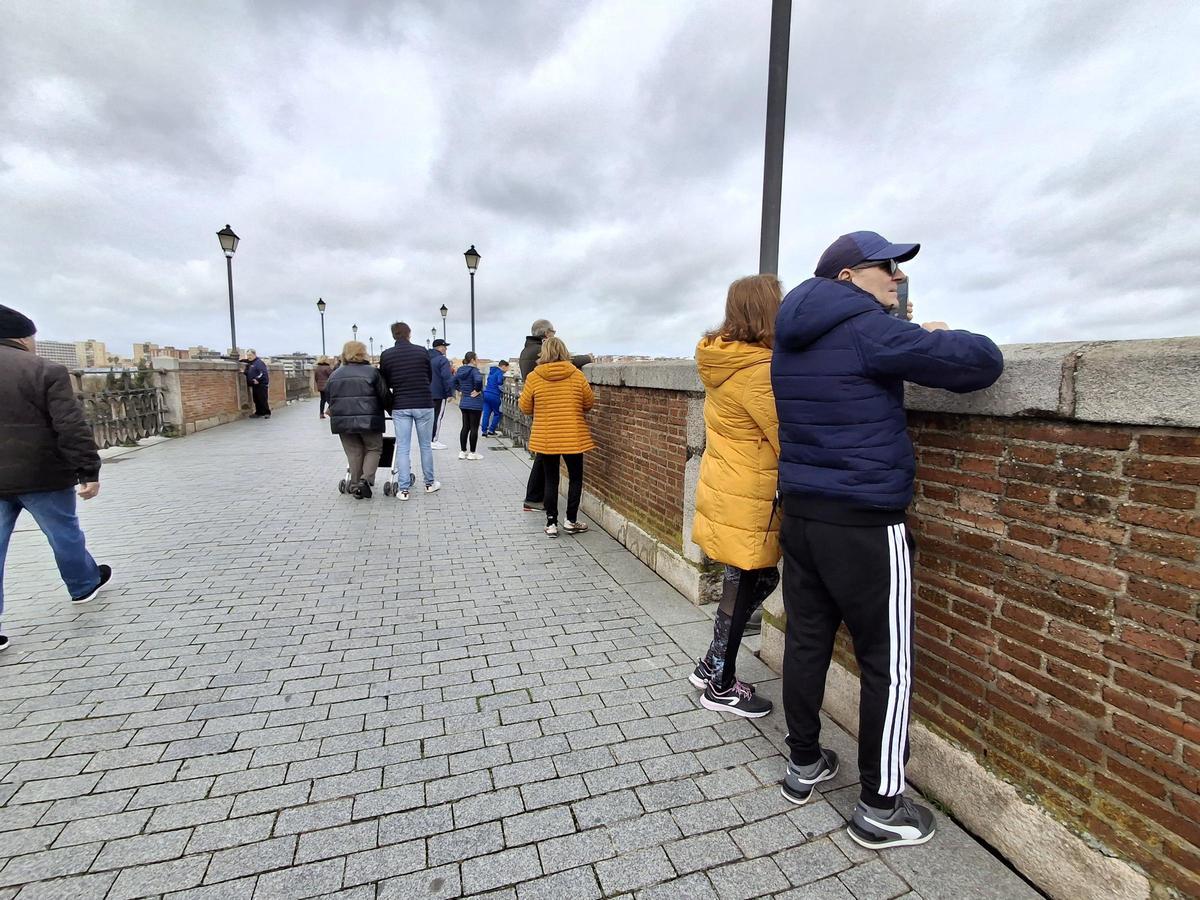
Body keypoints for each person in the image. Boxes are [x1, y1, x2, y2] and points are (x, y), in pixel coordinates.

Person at [772, 231, 1003, 846]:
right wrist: (929, 336)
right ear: (849, 277)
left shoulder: (790, 335)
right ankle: (880, 806)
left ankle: (803, 763)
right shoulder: (869, 328)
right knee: (888, 662)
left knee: (807, 641)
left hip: (801, 513)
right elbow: (981, 363)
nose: (896, 279)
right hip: (866, 521)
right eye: (887, 268)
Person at [689, 274, 783, 719]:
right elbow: (789, 436)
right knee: (751, 580)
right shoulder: (759, 371)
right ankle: (722, 686)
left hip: (728, 485)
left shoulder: (722, 358)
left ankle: (711, 663)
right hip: (750, 493)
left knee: (744, 580)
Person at [0, 305, 112, 651]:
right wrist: (87, 469)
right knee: (63, 532)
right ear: (22, 337)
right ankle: (83, 585)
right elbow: (70, 425)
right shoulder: (44, 369)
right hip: (43, 473)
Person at [518, 336, 594, 538]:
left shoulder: (534, 376)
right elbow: (588, 403)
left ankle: (551, 523)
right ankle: (570, 520)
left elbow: (525, 407)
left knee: (551, 479)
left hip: (547, 435)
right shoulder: (576, 375)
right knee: (575, 478)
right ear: (564, 352)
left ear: (544, 353)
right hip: (573, 435)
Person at [380, 322, 440, 499]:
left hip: (401, 404)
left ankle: (403, 489)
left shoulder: (386, 355)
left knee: (403, 447)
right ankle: (429, 484)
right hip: (424, 403)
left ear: (393, 335)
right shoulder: (422, 351)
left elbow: (386, 382)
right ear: (409, 334)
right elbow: (428, 377)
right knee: (425, 446)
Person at [325, 340, 391, 499]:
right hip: (369, 420)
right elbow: (384, 395)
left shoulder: (335, 374)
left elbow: (329, 398)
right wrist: (393, 410)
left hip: (343, 421)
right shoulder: (372, 372)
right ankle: (365, 480)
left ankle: (355, 485)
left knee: (354, 452)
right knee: (374, 448)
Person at [454, 351, 485, 460]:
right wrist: (477, 390)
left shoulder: (460, 370)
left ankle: (462, 452)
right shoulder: (474, 371)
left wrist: (460, 389)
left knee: (465, 427)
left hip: (464, 402)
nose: (477, 360)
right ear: (472, 360)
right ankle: (472, 453)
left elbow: (454, 381)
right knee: (474, 428)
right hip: (475, 403)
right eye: (476, 358)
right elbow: (478, 380)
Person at [428, 339, 455, 449]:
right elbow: (447, 377)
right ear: (440, 347)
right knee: (437, 416)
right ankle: (434, 440)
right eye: (445, 347)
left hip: (425, 393)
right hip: (438, 393)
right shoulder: (442, 360)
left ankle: (427, 439)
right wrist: (449, 393)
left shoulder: (425, 358)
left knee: (428, 417)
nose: (446, 349)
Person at [481, 359, 508, 436]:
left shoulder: (491, 372)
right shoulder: (500, 372)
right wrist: (503, 380)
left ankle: (484, 431)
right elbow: (499, 382)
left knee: (486, 413)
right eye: (507, 368)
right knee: (497, 413)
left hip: (486, 394)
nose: (507, 370)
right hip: (494, 395)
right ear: (503, 366)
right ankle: (491, 430)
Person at [243, 349, 271, 418]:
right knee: (256, 399)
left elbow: (262, 373)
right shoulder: (251, 363)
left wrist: (257, 379)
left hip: (261, 384)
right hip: (254, 384)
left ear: (254, 355)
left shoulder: (259, 363)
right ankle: (259, 413)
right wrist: (244, 372)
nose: (248, 357)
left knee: (263, 399)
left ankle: (267, 413)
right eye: (247, 355)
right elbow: (250, 372)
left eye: (250, 355)